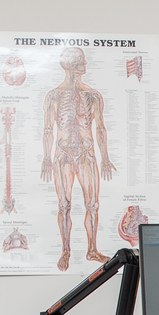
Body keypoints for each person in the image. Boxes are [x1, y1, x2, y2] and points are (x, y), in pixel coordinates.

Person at [40, 46, 115, 271]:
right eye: (81, 60)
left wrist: (105, 157)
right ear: (71, 65)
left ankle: (92, 249)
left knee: (92, 204)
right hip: (63, 155)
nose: (85, 64)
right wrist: (46, 157)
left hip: (86, 155)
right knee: (64, 205)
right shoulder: (53, 96)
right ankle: (66, 251)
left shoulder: (93, 96)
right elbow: (48, 129)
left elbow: (100, 128)